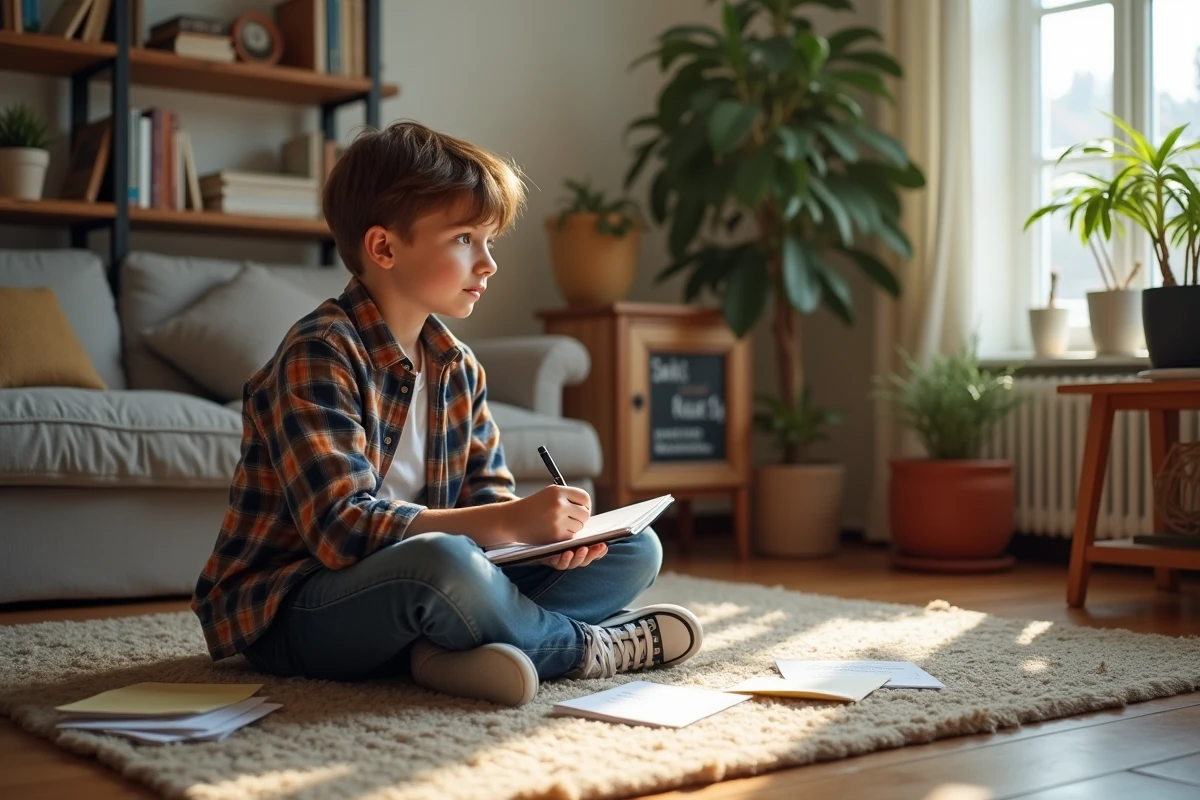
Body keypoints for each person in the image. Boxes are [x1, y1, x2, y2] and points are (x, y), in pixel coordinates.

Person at [191, 120, 703, 707]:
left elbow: (488, 505)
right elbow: (341, 530)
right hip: (296, 606)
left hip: (428, 586)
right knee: (443, 560)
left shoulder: (457, 367)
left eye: (489, 242)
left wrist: (544, 541)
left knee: (636, 549)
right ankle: (581, 648)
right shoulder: (319, 352)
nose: (487, 264)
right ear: (384, 248)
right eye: (464, 239)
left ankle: (447, 648)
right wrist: (507, 523)